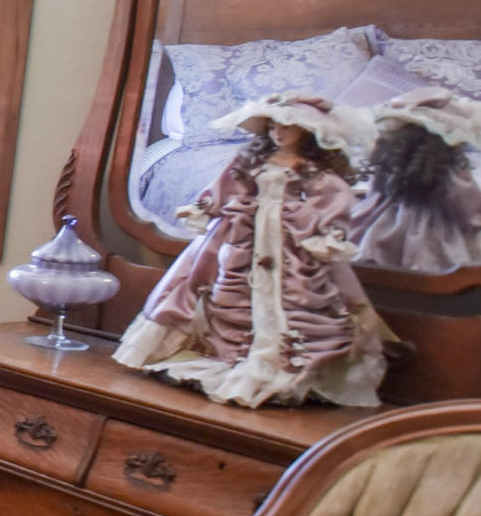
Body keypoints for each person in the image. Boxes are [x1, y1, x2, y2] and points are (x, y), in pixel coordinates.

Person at [116, 93, 391, 408]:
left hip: (289, 237)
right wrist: (207, 206)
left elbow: (334, 198)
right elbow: (227, 186)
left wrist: (325, 230)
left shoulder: (313, 170)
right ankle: (233, 354)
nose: (278, 133)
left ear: (306, 133)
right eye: (272, 127)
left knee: (296, 294)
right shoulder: (252, 161)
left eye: (286, 127)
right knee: (223, 286)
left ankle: (283, 364)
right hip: (246, 233)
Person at [352, 86, 481, 274]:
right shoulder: (450, 168)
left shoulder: (390, 159)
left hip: (385, 223)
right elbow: (463, 200)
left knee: (379, 250)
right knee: (432, 257)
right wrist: (472, 219)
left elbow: (374, 193)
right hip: (432, 229)